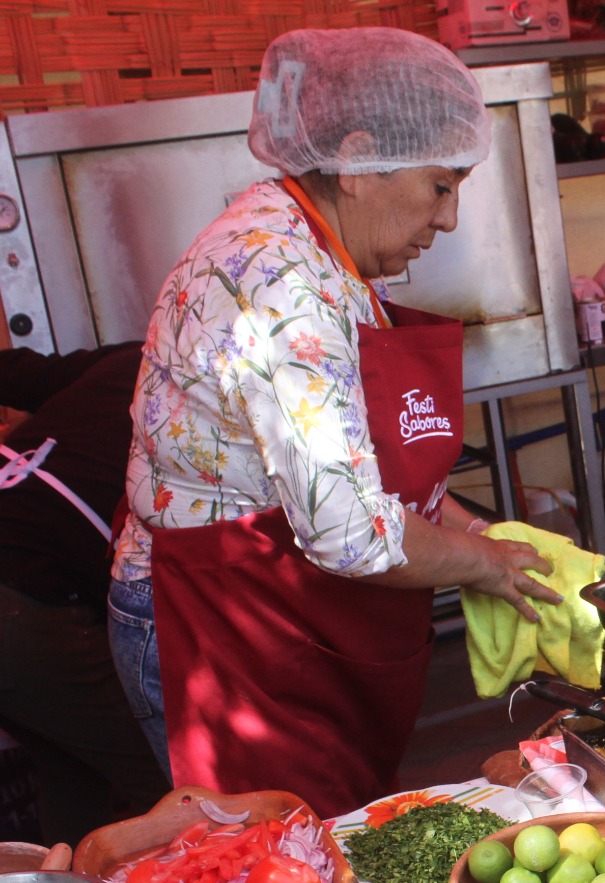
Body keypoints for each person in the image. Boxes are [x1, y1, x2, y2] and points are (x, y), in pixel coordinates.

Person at [108, 27, 561, 819]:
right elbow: (350, 531)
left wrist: (478, 533)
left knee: (326, 849)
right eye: (442, 185)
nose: (449, 218)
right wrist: (478, 563)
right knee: (283, 867)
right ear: (355, 160)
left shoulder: (310, 241)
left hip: (271, 609)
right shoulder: (284, 284)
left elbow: (359, 461)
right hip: (215, 625)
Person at [0, 342, 172, 843]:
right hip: (26, 609)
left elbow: (20, 373)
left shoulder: (135, 355)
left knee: (78, 783)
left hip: (29, 602)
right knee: (175, 792)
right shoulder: (203, 374)